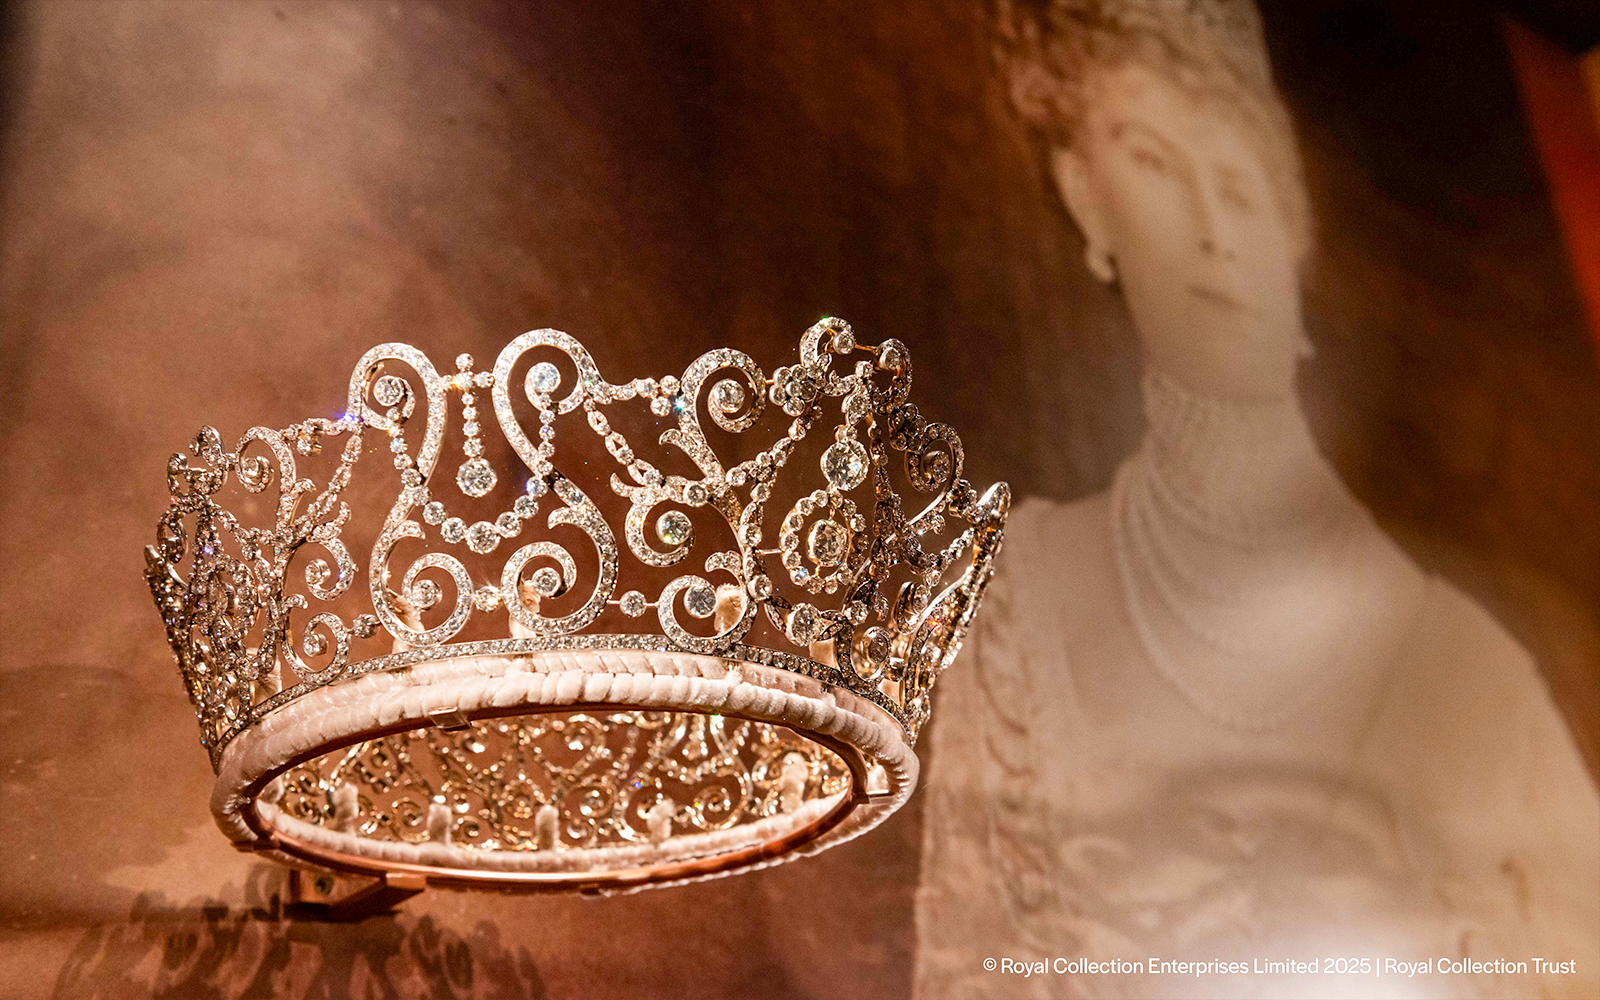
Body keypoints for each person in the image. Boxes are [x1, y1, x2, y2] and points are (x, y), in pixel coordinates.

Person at [913, 3, 1600, 997]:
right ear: (1085, 198)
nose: (1213, 232)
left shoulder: (1477, 673)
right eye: (1154, 163)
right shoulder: (1021, 595)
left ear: (1291, 244)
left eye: (1240, 190)